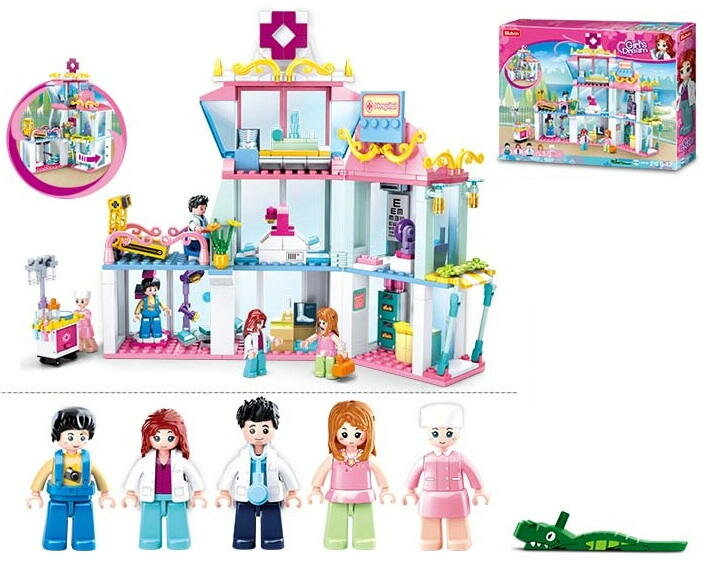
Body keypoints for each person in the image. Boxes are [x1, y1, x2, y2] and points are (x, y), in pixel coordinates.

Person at [216, 397, 301, 550]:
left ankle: (272, 540)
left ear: (274, 428)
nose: (259, 435)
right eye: (252, 430)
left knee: (272, 521)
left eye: (265, 430)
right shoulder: (241, 458)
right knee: (243, 520)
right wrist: (224, 492)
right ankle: (243, 539)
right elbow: (230, 472)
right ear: (243, 429)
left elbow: (286, 473)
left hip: (271, 497)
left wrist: (292, 492)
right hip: (245, 496)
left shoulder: (275, 458)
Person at [308, 401, 395, 550]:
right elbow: (322, 471)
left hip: (363, 495)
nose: (351, 439)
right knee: (336, 519)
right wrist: (316, 489)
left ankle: (364, 538)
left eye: (357, 434)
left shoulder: (367, 458)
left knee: (364, 519)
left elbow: (379, 472)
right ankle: (335, 537)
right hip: (338, 495)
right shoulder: (335, 458)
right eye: (344, 433)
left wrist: (385, 489)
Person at [402, 403, 489, 551]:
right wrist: (410, 490)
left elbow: (472, 472)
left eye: (448, 433)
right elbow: (415, 474)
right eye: (436, 433)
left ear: (456, 434)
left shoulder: (459, 458)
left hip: (456, 497)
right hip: (430, 497)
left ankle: (459, 539)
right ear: (429, 434)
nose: (442, 438)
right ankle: (430, 539)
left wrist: (479, 490)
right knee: (429, 521)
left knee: (457, 520)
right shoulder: (427, 459)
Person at [27, 407, 115, 551]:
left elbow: (98, 475)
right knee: (55, 524)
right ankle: (54, 541)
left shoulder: (87, 462)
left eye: (82, 437)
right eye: (70, 437)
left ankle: (84, 541)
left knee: (84, 526)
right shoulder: (55, 461)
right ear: (58, 436)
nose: (76, 441)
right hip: (58, 498)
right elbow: (41, 475)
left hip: (83, 499)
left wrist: (105, 493)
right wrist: (35, 493)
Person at [123, 409, 206, 550]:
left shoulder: (180, 460)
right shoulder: (146, 460)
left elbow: (192, 474)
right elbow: (135, 473)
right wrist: (130, 491)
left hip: (176, 498)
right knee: (149, 524)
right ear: (148, 437)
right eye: (156, 438)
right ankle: (150, 538)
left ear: (179, 437)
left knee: (178, 523)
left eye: (170, 438)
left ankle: (178, 539)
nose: (163, 443)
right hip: (151, 498)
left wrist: (198, 492)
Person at [301, 307, 347, 379]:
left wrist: (341, 351)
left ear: (332, 322)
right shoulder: (320, 333)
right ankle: (319, 372)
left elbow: (338, 343)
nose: (321, 325)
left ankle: (330, 373)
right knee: (319, 362)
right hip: (320, 351)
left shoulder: (332, 335)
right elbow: (313, 337)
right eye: (320, 323)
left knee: (330, 363)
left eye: (324, 323)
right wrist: (307, 341)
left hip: (330, 353)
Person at [134, 277, 171, 343]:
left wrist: (166, 309)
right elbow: (139, 307)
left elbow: (162, 304)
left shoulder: (157, 299)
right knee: (145, 322)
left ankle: (157, 334)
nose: (153, 292)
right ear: (144, 290)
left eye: (155, 289)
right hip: (146, 314)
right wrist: (137, 314)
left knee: (156, 322)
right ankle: (144, 334)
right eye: (150, 290)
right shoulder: (144, 300)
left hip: (155, 314)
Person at [676, 50, 696, 136]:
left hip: (688, 101)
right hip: (683, 102)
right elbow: (679, 92)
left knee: (688, 115)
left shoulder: (692, 83)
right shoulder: (681, 84)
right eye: (681, 70)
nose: (683, 71)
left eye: (687, 69)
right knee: (684, 116)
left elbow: (695, 91)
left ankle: (688, 126)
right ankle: (685, 126)